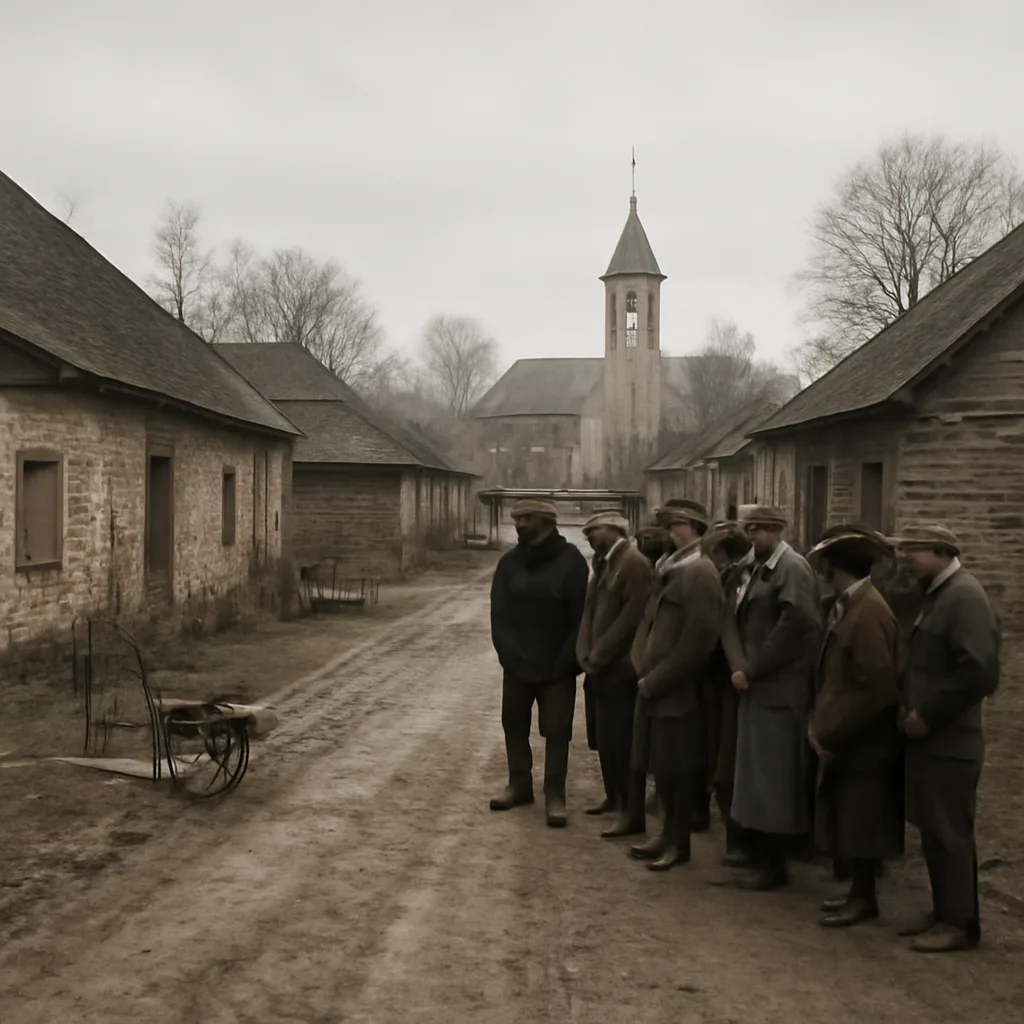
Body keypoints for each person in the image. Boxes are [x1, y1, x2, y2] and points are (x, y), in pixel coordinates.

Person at [892, 524, 1001, 953]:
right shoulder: (938, 592)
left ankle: (958, 922)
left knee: (950, 830)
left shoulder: (964, 597)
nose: (906, 559)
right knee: (934, 828)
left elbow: (979, 671)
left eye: (914, 551)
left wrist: (928, 714)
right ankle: (944, 910)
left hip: (950, 739)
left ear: (942, 551)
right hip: (928, 736)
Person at [806, 524, 904, 927]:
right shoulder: (852, 603)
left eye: (825, 562)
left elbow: (877, 686)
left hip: (865, 738)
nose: (822, 569)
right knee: (851, 815)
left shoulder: (868, 611)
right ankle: (857, 893)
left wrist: (835, 730)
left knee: (863, 819)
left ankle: (864, 899)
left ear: (836, 565)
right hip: (851, 734)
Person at [730, 505, 821, 891]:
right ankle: (761, 857)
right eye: (748, 529)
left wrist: (753, 669)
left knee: (774, 779)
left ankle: (775, 865)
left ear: (777, 531)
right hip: (761, 689)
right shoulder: (759, 568)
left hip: (779, 690)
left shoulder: (791, 568)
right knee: (758, 778)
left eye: (759, 530)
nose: (752, 537)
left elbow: (797, 624)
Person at [628, 501, 723, 871]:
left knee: (680, 773)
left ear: (697, 528)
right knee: (663, 770)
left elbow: (698, 642)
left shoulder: (699, 571)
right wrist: (642, 669)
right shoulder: (669, 568)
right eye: (667, 524)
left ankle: (679, 843)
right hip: (655, 689)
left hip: (680, 693)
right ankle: (666, 835)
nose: (670, 531)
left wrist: (658, 678)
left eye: (678, 525)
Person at [489, 498, 590, 827]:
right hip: (517, 665)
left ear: (547, 521)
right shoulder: (509, 564)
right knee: (513, 723)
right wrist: (509, 655)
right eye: (516, 518)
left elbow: (580, 619)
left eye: (526, 518)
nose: (518, 524)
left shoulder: (572, 563)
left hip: (557, 667)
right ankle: (519, 785)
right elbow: (499, 616)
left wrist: (565, 662)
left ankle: (555, 794)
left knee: (558, 730)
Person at [576, 510, 653, 837]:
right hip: (600, 668)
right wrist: (584, 653)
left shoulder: (633, 563)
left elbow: (631, 619)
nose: (588, 536)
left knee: (623, 743)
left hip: (620, 669)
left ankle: (629, 811)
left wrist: (599, 654)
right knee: (605, 740)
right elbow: (589, 612)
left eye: (593, 530)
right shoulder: (604, 562)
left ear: (613, 529)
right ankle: (613, 796)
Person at [703, 519, 755, 867]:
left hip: (741, 683)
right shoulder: (729, 579)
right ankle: (733, 837)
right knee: (720, 765)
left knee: (731, 767)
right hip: (721, 683)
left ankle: (741, 842)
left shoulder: (744, 581)